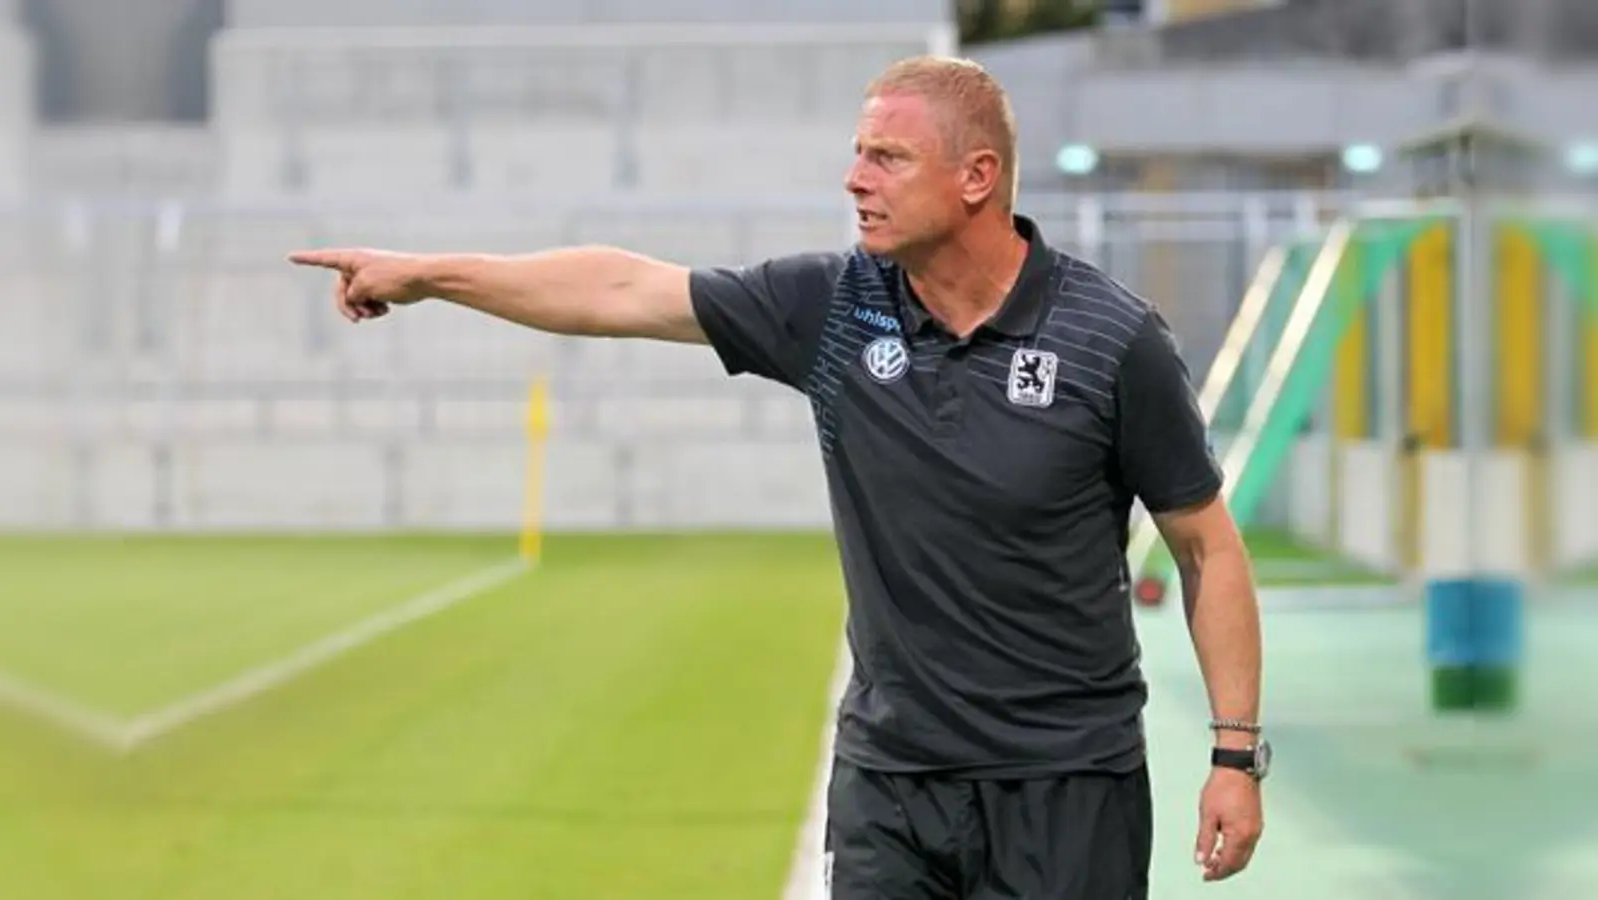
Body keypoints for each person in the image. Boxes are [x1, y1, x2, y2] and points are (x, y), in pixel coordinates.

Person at [291, 55, 1266, 900]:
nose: (853, 180)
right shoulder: (834, 307)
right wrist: (427, 273)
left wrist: (1232, 755)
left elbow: (1205, 547)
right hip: (891, 783)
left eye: (885, 158)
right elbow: (622, 288)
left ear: (977, 177)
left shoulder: (1112, 339)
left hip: (1065, 787)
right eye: (856, 153)